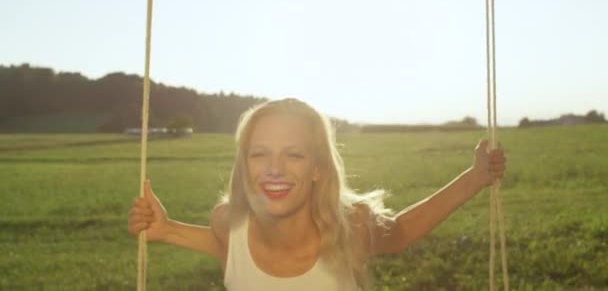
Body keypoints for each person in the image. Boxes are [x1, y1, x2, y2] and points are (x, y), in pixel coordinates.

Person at [128, 98, 506, 290]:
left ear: (319, 168)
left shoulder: (351, 229)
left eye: (294, 154)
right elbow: (229, 250)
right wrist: (167, 230)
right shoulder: (228, 224)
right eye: (260, 154)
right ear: (244, 164)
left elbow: (403, 232)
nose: (275, 168)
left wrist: (474, 179)